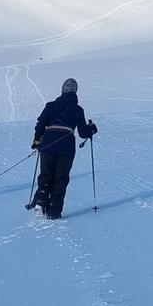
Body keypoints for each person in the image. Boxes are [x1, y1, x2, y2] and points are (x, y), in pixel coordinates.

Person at [30, 78, 98, 219]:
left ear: (62, 90)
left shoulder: (50, 106)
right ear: (75, 92)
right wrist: (92, 129)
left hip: (48, 143)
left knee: (46, 174)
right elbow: (83, 133)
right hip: (66, 146)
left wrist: (37, 140)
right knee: (61, 178)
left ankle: (41, 201)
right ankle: (54, 211)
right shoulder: (78, 110)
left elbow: (40, 124)